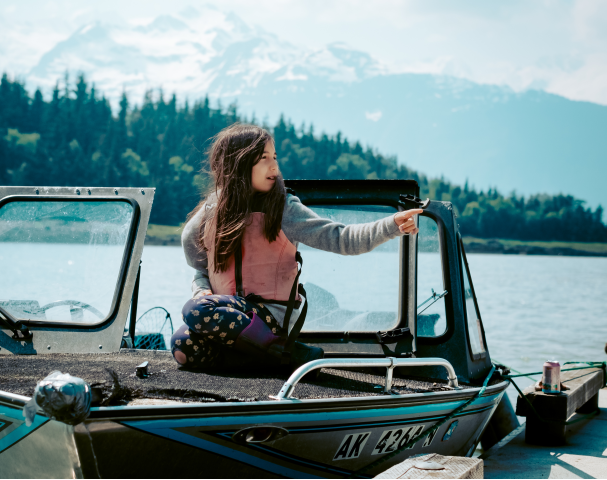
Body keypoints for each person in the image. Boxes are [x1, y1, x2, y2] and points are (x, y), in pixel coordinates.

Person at [171, 123, 422, 370]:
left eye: (275, 157)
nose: (274, 166)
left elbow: (342, 238)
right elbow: (198, 263)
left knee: (196, 310)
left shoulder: (285, 209)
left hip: (270, 318)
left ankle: (283, 351)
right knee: (182, 346)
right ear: (237, 165)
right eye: (263, 158)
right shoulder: (213, 212)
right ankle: (271, 359)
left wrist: (391, 225)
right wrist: (201, 290)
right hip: (225, 317)